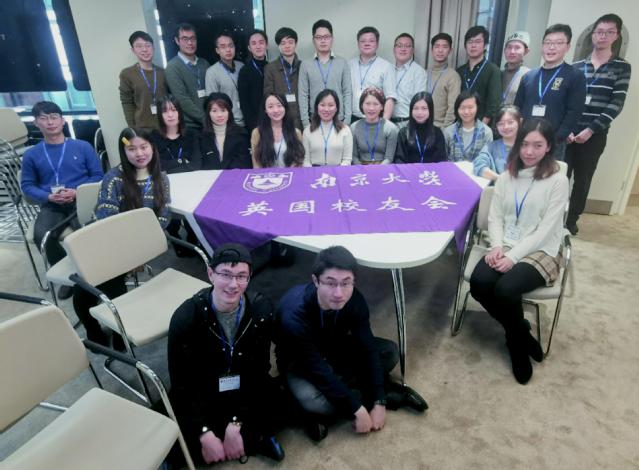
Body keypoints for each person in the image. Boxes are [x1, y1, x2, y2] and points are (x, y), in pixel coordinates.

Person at [275, 246, 427, 442]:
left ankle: (365, 393)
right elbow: (316, 368)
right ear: (316, 280)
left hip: (334, 348)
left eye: (346, 283)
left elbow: (368, 347)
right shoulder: (294, 315)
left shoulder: (354, 299)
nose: (339, 293)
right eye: (330, 283)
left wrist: (379, 402)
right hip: (299, 362)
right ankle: (386, 392)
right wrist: (358, 409)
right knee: (316, 402)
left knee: (389, 352)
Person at [469, 118, 569, 385]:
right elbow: (495, 217)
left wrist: (513, 257)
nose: (529, 151)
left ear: (549, 147)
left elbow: (546, 229)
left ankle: (515, 344)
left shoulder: (558, 180)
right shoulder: (506, 177)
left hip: (542, 248)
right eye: (524, 144)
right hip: (506, 242)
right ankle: (520, 331)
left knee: (506, 289)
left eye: (537, 145)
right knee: (479, 284)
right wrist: (497, 246)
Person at [168, 243, 285, 464]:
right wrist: (204, 432)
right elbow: (182, 383)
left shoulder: (260, 310)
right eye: (225, 275)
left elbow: (259, 370)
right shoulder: (186, 318)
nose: (233, 285)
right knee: (170, 424)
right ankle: (250, 440)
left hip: (243, 386)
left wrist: (236, 422)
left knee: (280, 398)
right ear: (210, 274)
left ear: (249, 278)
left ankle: (245, 438)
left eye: (241, 276)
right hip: (204, 389)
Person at [73, 127, 170, 349]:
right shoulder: (114, 177)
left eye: (144, 147)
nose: (139, 153)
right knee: (87, 285)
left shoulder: (161, 178)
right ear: (123, 151)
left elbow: (163, 219)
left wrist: (138, 253)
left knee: (109, 281)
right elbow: (106, 219)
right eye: (132, 149)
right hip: (102, 238)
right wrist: (126, 252)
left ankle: (119, 335)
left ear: (152, 147)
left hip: (135, 245)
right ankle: (94, 329)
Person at [20, 101, 103, 299]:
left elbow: (98, 175)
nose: (50, 122)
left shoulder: (82, 147)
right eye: (43, 118)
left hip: (81, 200)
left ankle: (97, 273)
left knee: (92, 233)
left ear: (63, 121)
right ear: (36, 123)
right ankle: (69, 277)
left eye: (54, 117)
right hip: (51, 204)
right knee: (42, 235)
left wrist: (76, 192)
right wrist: (48, 196)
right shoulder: (31, 154)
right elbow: (27, 186)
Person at [565, 13, 631, 236]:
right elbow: (567, 101)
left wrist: (591, 129)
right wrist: (568, 129)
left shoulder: (621, 67)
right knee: (560, 177)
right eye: (599, 32)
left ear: (616, 36)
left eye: (609, 32)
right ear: (593, 34)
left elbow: (616, 104)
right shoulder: (576, 66)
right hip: (569, 133)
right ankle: (554, 218)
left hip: (594, 135)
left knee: (583, 180)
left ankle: (571, 220)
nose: (603, 36)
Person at [514, 24, 586, 160]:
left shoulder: (575, 76)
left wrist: (555, 140)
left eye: (558, 43)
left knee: (548, 174)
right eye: (547, 43)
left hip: (553, 144)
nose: (551, 47)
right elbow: (518, 108)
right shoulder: (528, 76)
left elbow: (574, 113)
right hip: (526, 142)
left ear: (568, 47)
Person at [298, 19, 352, 128]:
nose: (323, 41)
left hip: (339, 119)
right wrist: (306, 123)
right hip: (315, 120)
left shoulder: (342, 62)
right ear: (313, 40)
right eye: (318, 37)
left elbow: (347, 92)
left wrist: (347, 120)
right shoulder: (305, 64)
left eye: (326, 37)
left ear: (332, 39)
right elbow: (303, 94)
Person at [165, 23, 210, 131]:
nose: (190, 43)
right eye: (185, 39)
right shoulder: (172, 67)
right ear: (177, 41)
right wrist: (205, 119)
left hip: (210, 122)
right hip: (190, 126)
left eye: (193, 38)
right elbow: (181, 99)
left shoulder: (204, 64)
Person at [119, 31, 167, 130]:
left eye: (148, 45)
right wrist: (133, 129)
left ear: (153, 48)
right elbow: (127, 103)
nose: (144, 49)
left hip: (165, 126)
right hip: (142, 129)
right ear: (133, 50)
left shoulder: (163, 72)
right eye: (139, 46)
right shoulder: (127, 74)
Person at [349, 26, 396, 122]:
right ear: (358, 44)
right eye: (363, 41)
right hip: (352, 118)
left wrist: (383, 123)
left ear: (377, 44)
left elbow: (390, 98)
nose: (367, 44)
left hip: (376, 119)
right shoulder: (349, 65)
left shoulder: (386, 66)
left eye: (371, 41)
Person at [456, 25, 502, 125]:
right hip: (459, 124)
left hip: (481, 125)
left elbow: (493, 105)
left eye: (477, 42)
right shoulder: (459, 71)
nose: (473, 45)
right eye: (470, 42)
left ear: (485, 45)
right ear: (465, 46)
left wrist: (480, 127)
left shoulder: (493, 70)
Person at [264, 27, 303, 130]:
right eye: (283, 43)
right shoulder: (270, 68)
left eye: (290, 42)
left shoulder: (303, 66)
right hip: (280, 119)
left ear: (296, 44)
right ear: (278, 46)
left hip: (302, 119)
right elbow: (268, 95)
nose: (287, 46)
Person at [251, 94, 305, 168]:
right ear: (265, 110)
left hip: (290, 173)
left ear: (285, 108)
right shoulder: (257, 133)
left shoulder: (296, 132)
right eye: (270, 107)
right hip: (266, 174)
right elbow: (256, 163)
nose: (276, 110)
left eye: (279, 106)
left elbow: (299, 160)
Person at [200, 92, 251, 170]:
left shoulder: (241, 134)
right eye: (214, 111)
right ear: (208, 113)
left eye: (223, 110)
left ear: (229, 112)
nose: (219, 115)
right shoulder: (201, 136)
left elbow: (243, 162)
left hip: (233, 175)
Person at [152, 94, 201, 174]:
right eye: (165, 111)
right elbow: (157, 166)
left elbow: (196, 165)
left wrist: (169, 167)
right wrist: (181, 161)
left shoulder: (192, 134)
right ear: (160, 115)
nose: (170, 115)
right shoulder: (153, 137)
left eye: (174, 110)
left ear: (180, 112)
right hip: (165, 180)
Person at [302, 89, 353, 166]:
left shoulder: (345, 130)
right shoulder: (308, 130)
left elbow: (347, 160)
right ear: (317, 107)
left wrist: (338, 172)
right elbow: (306, 161)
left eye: (331, 105)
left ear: (336, 108)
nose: (326, 109)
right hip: (314, 171)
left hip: (338, 171)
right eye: (322, 105)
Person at [205, 33, 244, 127]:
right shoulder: (211, 72)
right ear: (217, 50)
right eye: (223, 47)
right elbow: (212, 102)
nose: (228, 50)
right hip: (228, 123)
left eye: (231, 45)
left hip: (246, 119)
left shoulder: (241, 66)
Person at [351, 87, 399, 165]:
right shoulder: (354, 127)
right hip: (361, 168)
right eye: (367, 104)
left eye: (376, 104)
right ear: (362, 105)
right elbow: (354, 157)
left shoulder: (391, 128)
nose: (371, 108)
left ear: (382, 106)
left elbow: (389, 158)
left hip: (384, 168)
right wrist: (362, 169)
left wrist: (377, 170)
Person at [395, 92, 446, 164]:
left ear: (430, 110)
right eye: (416, 108)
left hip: (431, 171)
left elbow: (442, 160)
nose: (419, 112)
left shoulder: (438, 133)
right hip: (409, 170)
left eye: (424, 108)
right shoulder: (403, 133)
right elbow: (399, 160)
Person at [473, 105, 522, 181]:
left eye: (510, 122)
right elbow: (479, 166)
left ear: (519, 122)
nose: (506, 127)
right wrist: (501, 180)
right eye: (501, 124)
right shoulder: (490, 147)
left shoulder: (527, 146)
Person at [443, 90, 493, 162]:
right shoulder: (449, 131)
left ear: (477, 108)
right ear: (457, 109)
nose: (466, 112)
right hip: (452, 169)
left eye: (470, 107)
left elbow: (487, 159)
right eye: (462, 108)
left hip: (477, 169)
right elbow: (444, 159)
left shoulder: (487, 132)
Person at [392, 33, 427, 128]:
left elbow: (420, 101)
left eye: (407, 46)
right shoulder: (388, 69)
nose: (403, 49)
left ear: (413, 51)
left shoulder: (419, 72)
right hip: (388, 122)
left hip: (407, 123)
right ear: (394, 49)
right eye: (399, 46)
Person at [427, 33, 461, 128]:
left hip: (440, 127)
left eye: (445, 47)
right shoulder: (425, 73)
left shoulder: (453, 76)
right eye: (437, 46)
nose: (440, 50)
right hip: (422, 125)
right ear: (432, 50)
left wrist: (445, 129)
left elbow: (453, 107)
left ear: (450, 50)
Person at [238, 30, 268, 132]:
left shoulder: (271, 67)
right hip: (255, 123)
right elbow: (244, 103)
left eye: (261, 42)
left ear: (266, 45)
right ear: (249, 48)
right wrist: (253, 127)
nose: (258, 46)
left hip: (273, 117)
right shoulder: (245, 71)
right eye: (254, 43)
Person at [501, 31, 530, 105]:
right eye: (509, 47)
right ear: (504, 50)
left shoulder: (529, 76)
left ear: (526, 51)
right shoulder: (498, 74)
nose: (512, 51)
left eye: (517, 48)